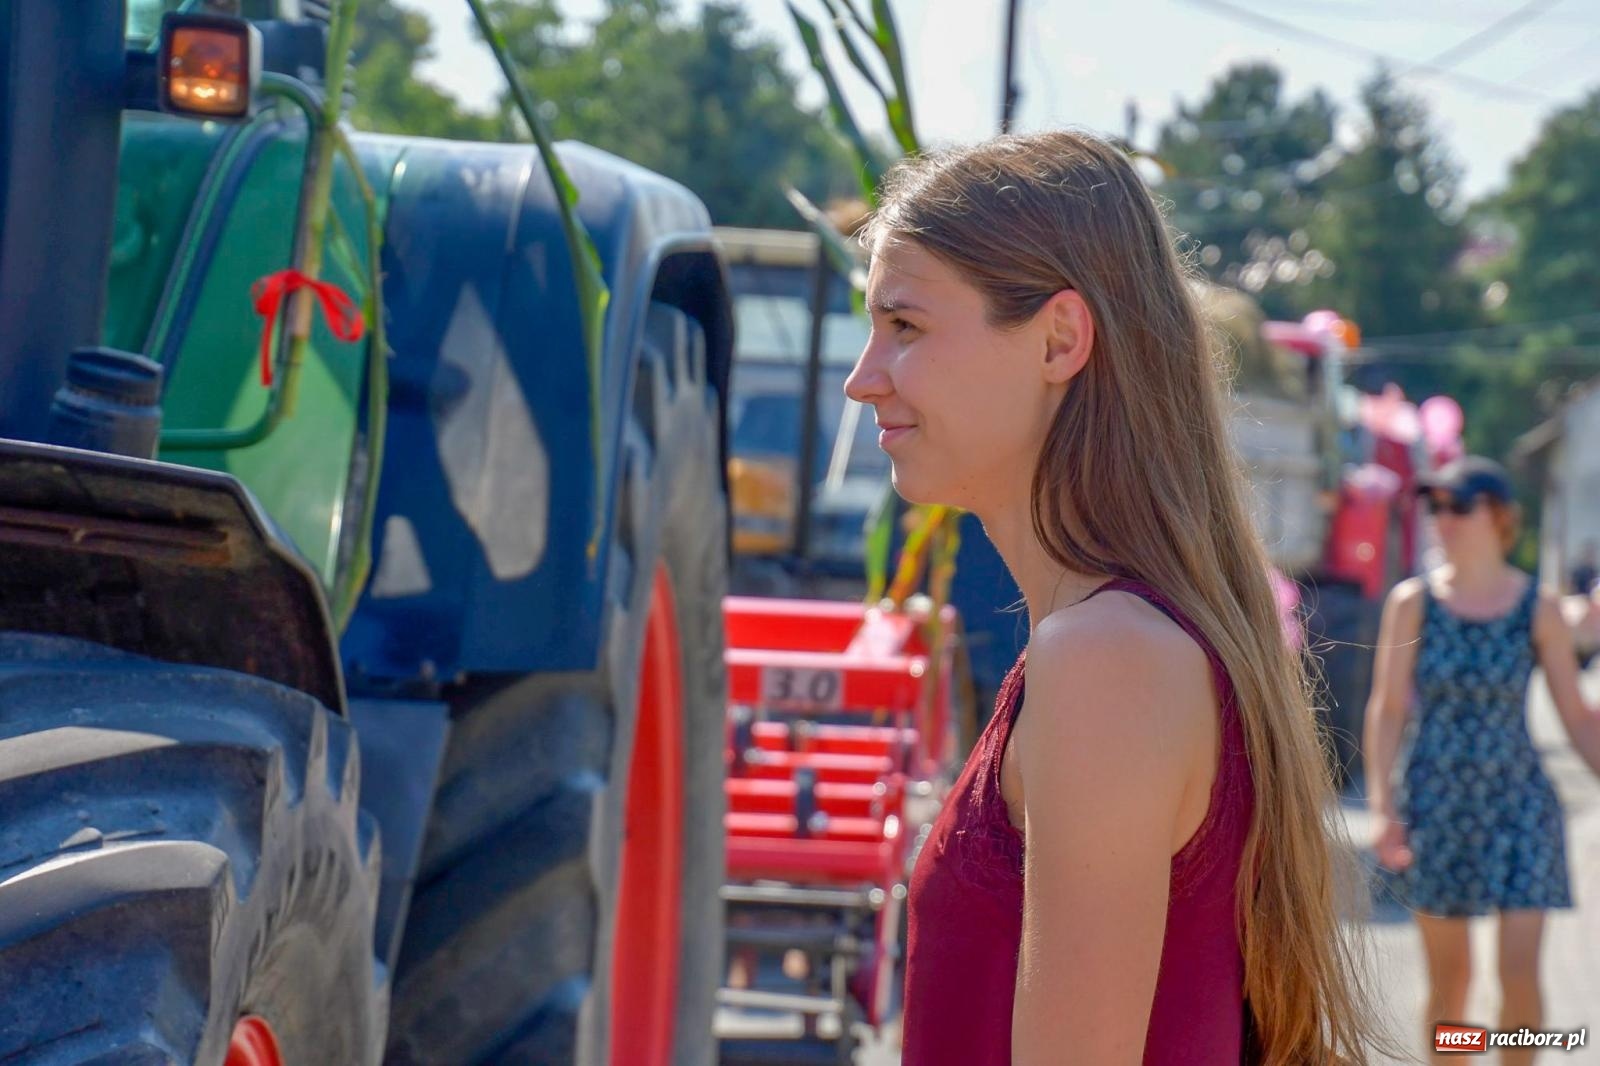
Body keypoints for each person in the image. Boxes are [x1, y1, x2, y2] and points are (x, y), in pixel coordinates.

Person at [844, 130, 1396, 1065]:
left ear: (1060, 340)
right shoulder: (1114, 644)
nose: (864, 380)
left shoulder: (1106, 660)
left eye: (905, 326)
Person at [1364, 455, 1600, 1065]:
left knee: (1519, 978)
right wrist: (1384, 807)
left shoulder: (1536, 608)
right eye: (1434, 507)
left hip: (1520, 803)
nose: (1441, 519)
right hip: (1436, 807)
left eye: (1457, 506)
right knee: (1453, 985)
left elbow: (1575, 715)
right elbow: (1388, 710)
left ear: (1497, 516)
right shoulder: (1412, 603)